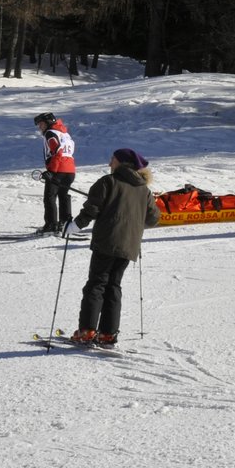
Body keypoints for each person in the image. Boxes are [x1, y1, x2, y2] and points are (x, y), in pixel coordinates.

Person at [67, 148, 159, 346]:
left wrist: (74, 226)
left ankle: (87, 331)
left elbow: (92, 208)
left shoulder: (107, 182)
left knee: (96, 284)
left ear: (123, 163)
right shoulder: (144, 189)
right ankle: (108, 333)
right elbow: (153, 219)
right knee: (113, 286)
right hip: (129, 245)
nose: (110, 164)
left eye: (113, 160)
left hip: (107, 242)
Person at [34, 112, 77, 234]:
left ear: (47, 123)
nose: (39, 127)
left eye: (41, 124)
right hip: (70, 170)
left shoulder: (50, 133)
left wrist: (51, 171)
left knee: (50, 197)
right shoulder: (64, 133)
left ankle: (51, 225)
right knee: (63, 196)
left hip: (58, 170)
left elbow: (57, 151)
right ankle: (65, 224)